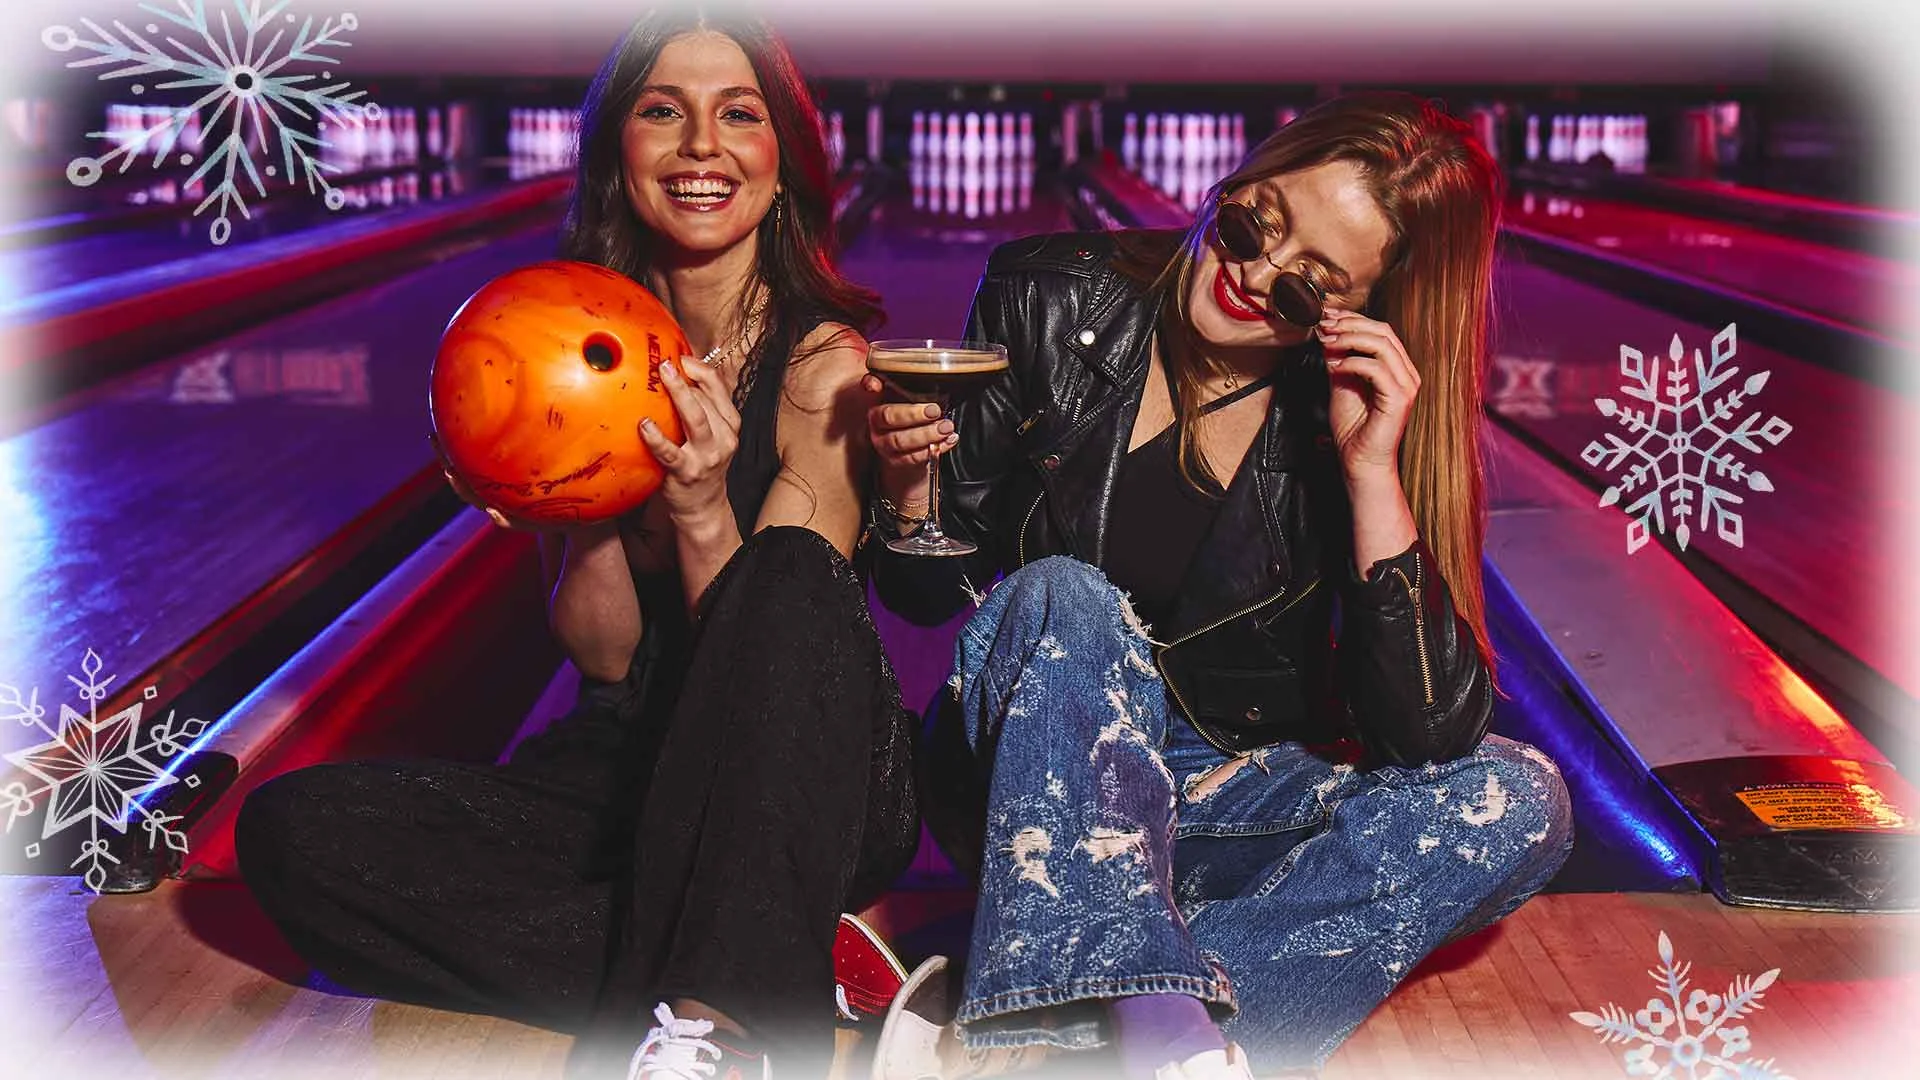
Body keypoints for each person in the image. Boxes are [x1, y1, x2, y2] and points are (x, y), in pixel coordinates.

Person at [235, 9, 919, 1078]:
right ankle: (781, 953)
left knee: (784, 567)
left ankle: (726, 1015)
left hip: (803, 777)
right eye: (662, 112)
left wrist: (697, 506)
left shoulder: (823, 365)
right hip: (622, 765)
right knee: (292, 834)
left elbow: (776, 654)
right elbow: (603, 662)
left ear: (782, 165)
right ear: (619, 155)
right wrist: (578, 501)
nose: (701, 145)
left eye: (738, 114)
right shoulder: (558, 340)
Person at [864, 92, 1574, 1079]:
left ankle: (1069, 1033)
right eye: (1251, 225)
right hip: (1026, 779)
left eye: (1306, 288)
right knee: (1065, 591)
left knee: (1520, 798)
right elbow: (924, 600)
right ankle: (1155, 1032)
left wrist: (1371, 470)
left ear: (1358, 315)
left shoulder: (1348, 415)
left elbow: (1424, 739)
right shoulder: (1046, 293)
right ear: (1236, 182)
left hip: (1214, 798)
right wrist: (908, 493)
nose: (1253, 275)